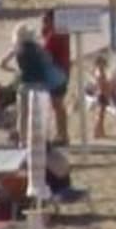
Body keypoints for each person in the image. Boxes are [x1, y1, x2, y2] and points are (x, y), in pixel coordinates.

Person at [39, 9, 72, 144]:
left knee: (57, 104)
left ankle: (62, 135)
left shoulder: (55, 35)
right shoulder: (62, 32)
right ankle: (62, 134)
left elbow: (45, 52)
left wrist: (45, 36)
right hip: (63, 71)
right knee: (58, 104)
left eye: (46, 21)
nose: (44, 23)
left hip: (56, 73)